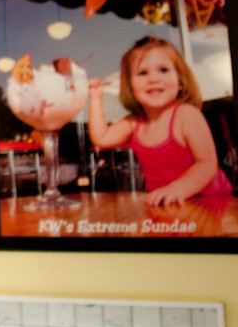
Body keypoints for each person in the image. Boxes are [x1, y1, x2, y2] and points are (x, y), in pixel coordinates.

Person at [88, 36, 232, 206]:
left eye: (163, 70)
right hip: (167, 206)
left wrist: (176, 189)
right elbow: (101, 138)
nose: (153, 79)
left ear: (180, 81)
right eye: (143, 73)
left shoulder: (186, 115)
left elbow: (207, 164)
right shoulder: (135, 123)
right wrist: (96, 99)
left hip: (212, 204)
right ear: (129, 86)